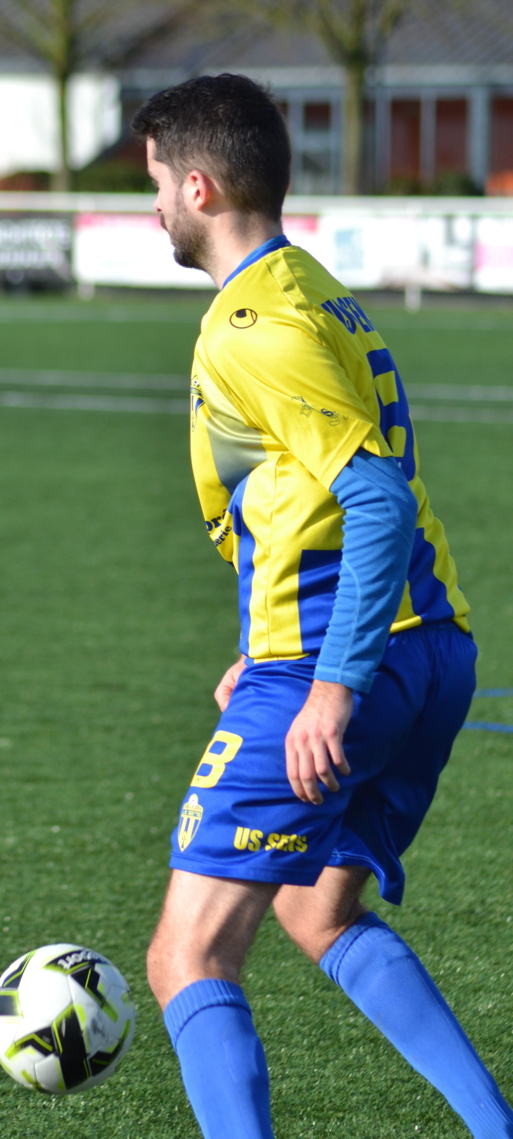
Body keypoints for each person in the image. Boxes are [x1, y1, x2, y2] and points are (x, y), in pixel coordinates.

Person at [131, 73, 513, 1139]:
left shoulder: (252, 325)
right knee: (316, 907)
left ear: (199, 187)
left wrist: (329, 685)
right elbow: (298, 501)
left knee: (187, 955)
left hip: (345, 663)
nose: (151, 204)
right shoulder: (314, 289)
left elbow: (374, 499)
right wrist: (257, 647)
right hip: (429, 647)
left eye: (156, 181)